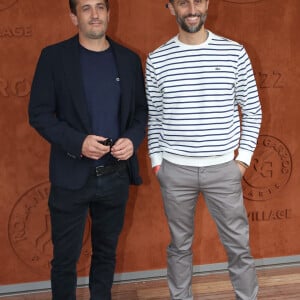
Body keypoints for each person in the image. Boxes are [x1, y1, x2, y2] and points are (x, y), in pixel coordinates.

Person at [28, 0, 147, 299]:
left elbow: (140, 113)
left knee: (106, 254)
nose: (94, 14)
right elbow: (39, 113)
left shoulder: (129, 60)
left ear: (108, 13)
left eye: (100, 7)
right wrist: (77, 142)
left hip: (116, 176)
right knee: (65, 260)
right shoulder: (54, 58)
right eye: (85, 8)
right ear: (73, 16)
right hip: (71, 176)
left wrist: (132, 140)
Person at [145, 0, 262, 299]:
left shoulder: (235, 52)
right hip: (174, 170)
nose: (192, 9)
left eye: (197, 0)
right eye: (183, 3)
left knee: (239, 248)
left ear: (207, 4)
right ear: (170, 8)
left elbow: (252, 110)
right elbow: (154, 115)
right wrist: (158, 162)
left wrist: (243, 161)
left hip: (224, 170)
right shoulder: (157, 59)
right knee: (179, 247)